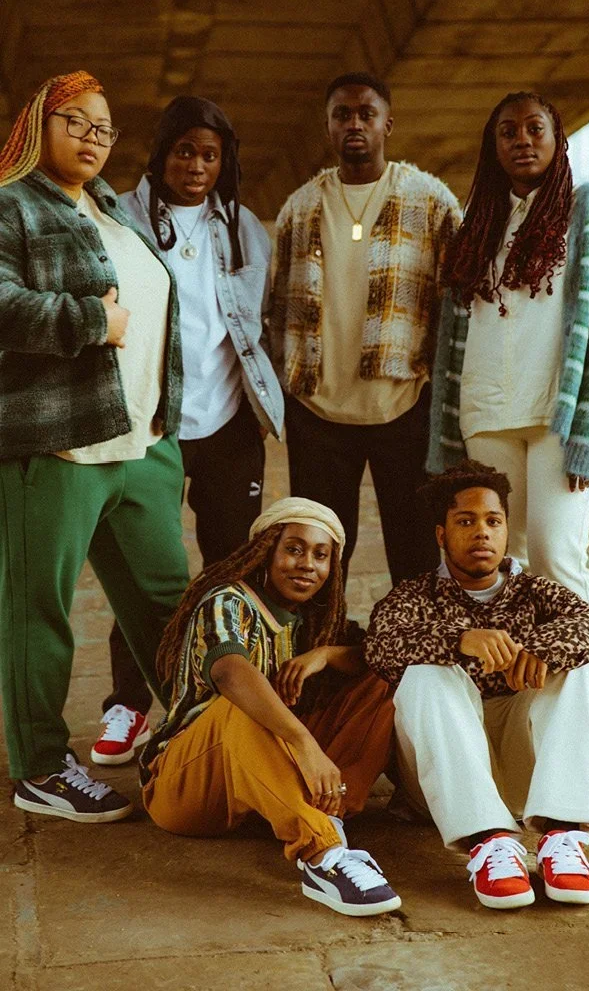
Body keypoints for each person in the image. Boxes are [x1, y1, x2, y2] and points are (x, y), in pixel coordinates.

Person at [0, 71, 189, 822]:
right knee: (38, 610)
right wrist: (86, 319)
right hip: (56, 446)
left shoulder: (114, 210)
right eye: (73, 120)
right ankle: (41, 767)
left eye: (103, 127)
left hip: (141, 444)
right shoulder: (11, 205)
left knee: (167, 610)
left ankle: (197, 739)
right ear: (36, 126)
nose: (90, 136)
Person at [89, 95, 284, 767]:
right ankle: (129, 701)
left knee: (232, 567)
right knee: (145, 569)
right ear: (161, 153)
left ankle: (231, 696)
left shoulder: (245, 229)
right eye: (183, 151)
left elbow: (264, 318)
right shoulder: (120, 215)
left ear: (223, 160)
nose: (195, 165)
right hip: (151, 422)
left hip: (228, 427)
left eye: (209, 154)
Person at [364, 460, 589, 910]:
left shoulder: (536, 591)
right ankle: (490, 842)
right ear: (442, 535)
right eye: (466, 521)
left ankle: (563, 835)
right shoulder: (413, 596)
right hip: (442, 784)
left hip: (525, 772)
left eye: (493, 521)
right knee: (424, 673)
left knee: (584, 668)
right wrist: (461, 642)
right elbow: (382, 646)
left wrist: (538, 650)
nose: (481, 532)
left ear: (504, 531)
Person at [140, 496, 401, 917]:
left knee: (385, 676)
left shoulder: (315, 618)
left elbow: (371, 657)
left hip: (261, 776)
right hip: (187, 787)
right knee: (238, 706)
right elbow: (229, 673)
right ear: (266, 551)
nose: (306, 565)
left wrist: (326, 654)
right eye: (293, 549)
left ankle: (329, 807)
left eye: (321, 555)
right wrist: (303, 743)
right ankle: (323, 854)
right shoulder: (227, 600)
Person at [270, 71, 461, 584]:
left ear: (387, 125)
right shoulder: (301, 206)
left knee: (417, 550)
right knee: (319, 556)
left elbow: (457, 305)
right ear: (328, 127)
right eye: (342, 115)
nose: (354, 124)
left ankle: (416, 662)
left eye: (365, 114)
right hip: (317, 414)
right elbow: (276, 306)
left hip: (404, 408)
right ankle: (321, 659)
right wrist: (286, 388)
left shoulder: (431, 202)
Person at [428, 91, 589, 603]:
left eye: (535, 129)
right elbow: (453, 340)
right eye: (507, 133)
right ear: (493, 147)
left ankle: (587, 682)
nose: (522, 141)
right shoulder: (478, 228)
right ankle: (521, 684)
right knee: (506, 567)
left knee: (557, 555)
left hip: (559, 414)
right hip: (486, 412)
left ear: (558, 138)